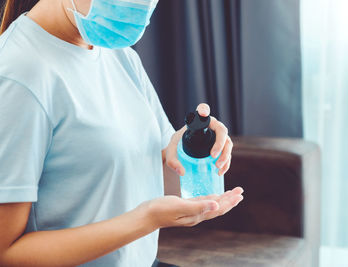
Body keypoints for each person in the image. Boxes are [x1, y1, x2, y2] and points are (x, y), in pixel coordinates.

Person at [0, 0, 244, 266]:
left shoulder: (118, 55)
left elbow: (159, 176)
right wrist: (144, 220)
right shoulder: (17, 75)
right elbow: (6, 253)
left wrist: (194, 147)